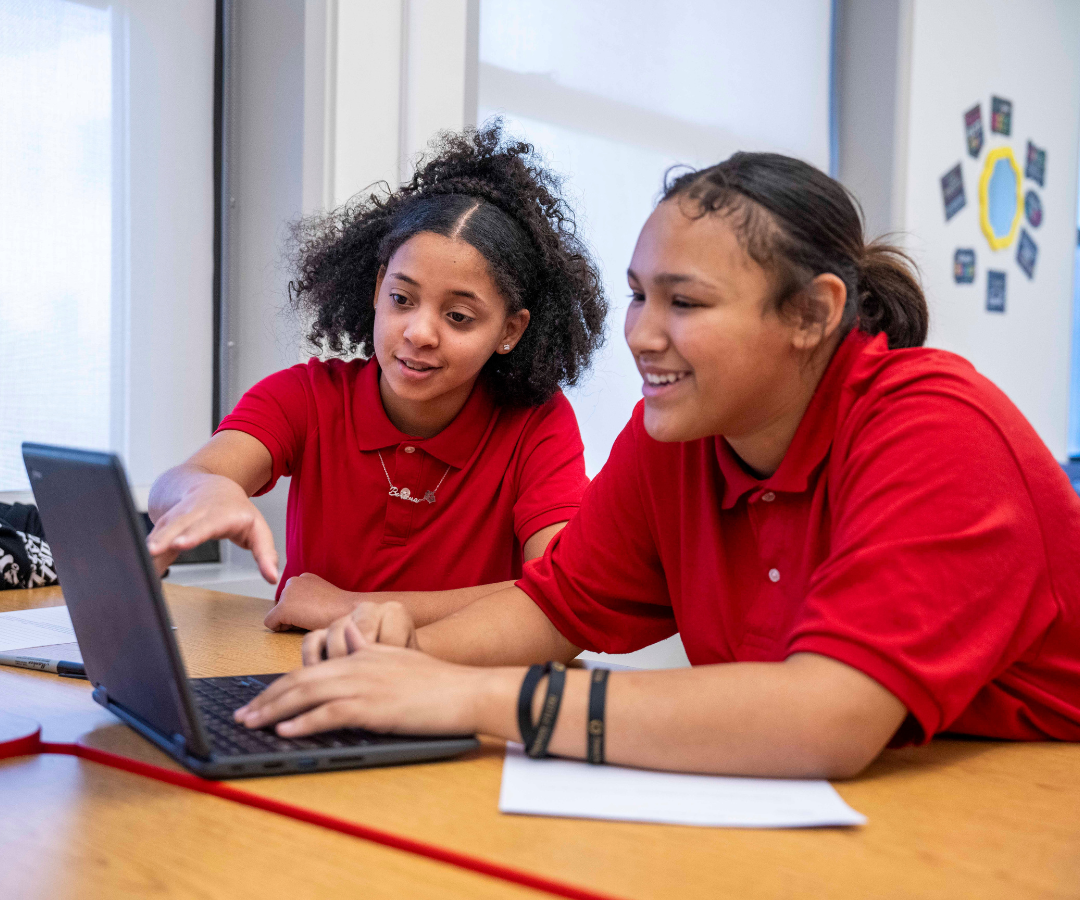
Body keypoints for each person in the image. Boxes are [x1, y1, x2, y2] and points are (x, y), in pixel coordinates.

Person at [233, 152, 1080, 778]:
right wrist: (403, 653)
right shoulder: (678, 437)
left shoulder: (937, 429)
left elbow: (831, 716)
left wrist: (466, 697)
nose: (640, 334)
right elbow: (554, 607)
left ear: (812, 314)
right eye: (639, 294)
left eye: (685, 302)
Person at [147, 124, 606, 632]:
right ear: (376, 288)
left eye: (458, 317)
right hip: (308, 686)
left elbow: (564, 590)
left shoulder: (535, 424)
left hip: (454, 695)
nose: (419, 332)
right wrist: (204, 492)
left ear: (510, 330)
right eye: (401, 299)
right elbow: (174, 484)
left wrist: (350, 609)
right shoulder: (306, 396)